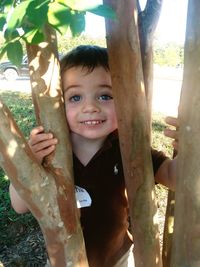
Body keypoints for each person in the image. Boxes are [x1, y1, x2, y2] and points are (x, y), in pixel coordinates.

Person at [9, 45, 178, 267]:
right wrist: (29, 164)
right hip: (64, 261)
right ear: (57, 103)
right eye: (75, 97)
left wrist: (192, 149)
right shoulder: (50, 152)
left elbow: (175, 177)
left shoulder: (130, 149)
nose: (90, 107)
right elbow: (19, 205)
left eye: (105, 95)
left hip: (118, 258)